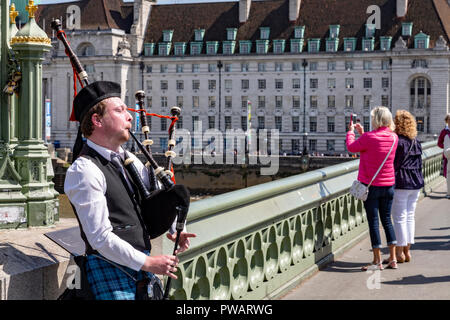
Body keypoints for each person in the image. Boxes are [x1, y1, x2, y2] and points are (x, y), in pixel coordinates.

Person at [64, 81, 196, 300]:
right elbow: (100, 238)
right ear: (97, 120)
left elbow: (153, 195)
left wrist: (174, 227)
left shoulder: (129, 159)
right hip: (109, 266)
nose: (130, 116)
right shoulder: (84, 170)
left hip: (137, 265)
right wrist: (149, 263)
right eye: (119, 110)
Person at [346, 106, 398, 271]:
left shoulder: (369, 137)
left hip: (371, 187)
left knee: (374, 223)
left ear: (376, 120)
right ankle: (393, 258)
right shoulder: (394, 138)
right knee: (387, 221)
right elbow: (377, 149)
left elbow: (351, 148)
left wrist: (351, 133)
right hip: (389, 185)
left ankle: (377, 260)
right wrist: (364, 134)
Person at [390, 110, 424, 264]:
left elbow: (394, 164)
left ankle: (399, 253)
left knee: (399, 217)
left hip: (401, 182)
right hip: (416, 182)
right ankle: (407, 251)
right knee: (410, 217)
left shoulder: (398, 141)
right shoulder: (416, 142)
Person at [437, 113, 450, 198]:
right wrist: (445, 147)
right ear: (447, 121)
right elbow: (439, 143)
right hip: (448, 155)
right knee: (448, 174)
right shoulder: (444, 132)